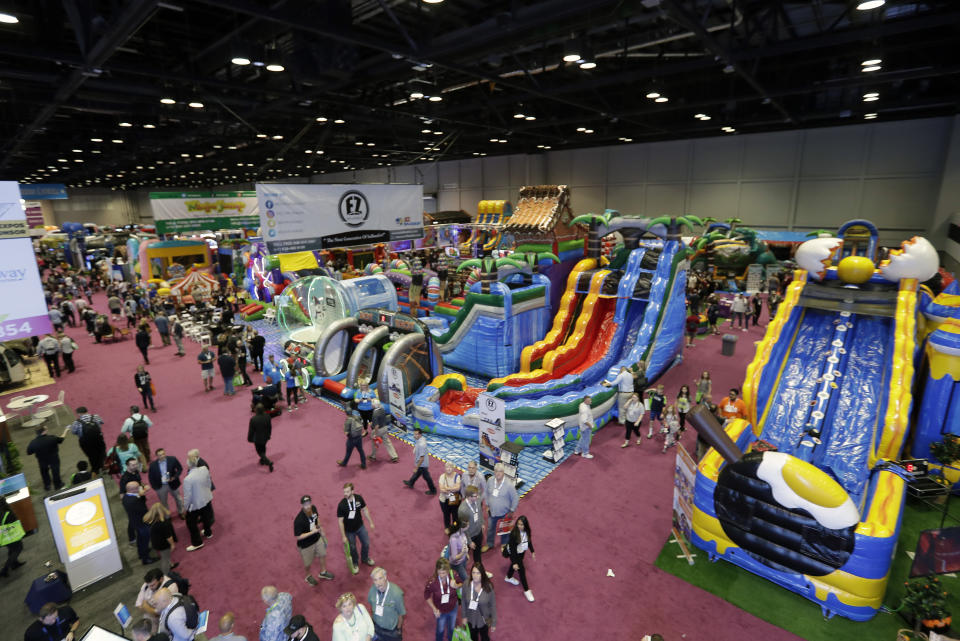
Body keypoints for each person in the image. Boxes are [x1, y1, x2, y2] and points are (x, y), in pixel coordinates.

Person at [294, 494, 334, 585]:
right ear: (302, 505)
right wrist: (312, 532)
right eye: (305, 504)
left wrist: (321, 530)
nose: (308, 506)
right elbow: (298, 536)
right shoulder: (299, 520)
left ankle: (323, 572)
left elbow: (317, 519)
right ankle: (308, 576)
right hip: (305, 545)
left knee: (323, 554)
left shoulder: (314, 508)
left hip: (317, 538)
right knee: (308, 563)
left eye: (309, 503)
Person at [337, 482, 375, 574]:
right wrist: (343, 536)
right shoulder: (341, 505)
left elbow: (365, 510)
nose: (345, 494)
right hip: (349, 531)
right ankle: (355, 562)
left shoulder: (358, 499)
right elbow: (340, 522)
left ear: (352, 491)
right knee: (353, 548)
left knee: (366, 543)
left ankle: (365, 558)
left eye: (347, 492)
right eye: (344, 492)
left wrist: (371, 522)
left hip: (360, 526)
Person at [182, 450, 214, 551]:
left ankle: (197, 542)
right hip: (207, 498)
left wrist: (186, 507)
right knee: (206, 517)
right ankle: (208, 533)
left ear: (188, 466)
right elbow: (209, 482)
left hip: (195, 504)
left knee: (191, 523)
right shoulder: (204, 469)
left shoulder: (188, 479)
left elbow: (187, 496)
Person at [483, 463, 518, 551]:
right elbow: (486, 493)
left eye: (500, 471)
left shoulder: (509, 485)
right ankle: (489, 544)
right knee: (490, 528)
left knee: (505, 529)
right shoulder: (490, 480)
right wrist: (487, 505)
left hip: (505, 512)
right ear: (494, 472)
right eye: (496, 471)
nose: (498, 473)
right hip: (492, 511)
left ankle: (504, 544)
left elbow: (515, 498)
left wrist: (512, 510)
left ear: (504, 472)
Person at [123, 481, 159, 565]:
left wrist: (140, 494)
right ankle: (145, 559)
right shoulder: (134, 500)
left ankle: (141, 553)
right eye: (138, 487)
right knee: (144, 541)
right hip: (142, 523)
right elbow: (143, 509)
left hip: (135, 522)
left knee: (140, 539)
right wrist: (142, 495)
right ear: (133, 490)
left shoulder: (126, 497)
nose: (140, 488)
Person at [424, 558, 460, 641]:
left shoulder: (453, 575)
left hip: (453, 608)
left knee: (451, 628)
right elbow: (426, 595)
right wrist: (434, 608)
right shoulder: (432, 582)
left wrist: (456, 586)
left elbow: (461, 583)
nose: (441, 575)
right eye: (439, 572)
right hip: (440, 610)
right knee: (440, 630)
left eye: (443, 573)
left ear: (448, 571)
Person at [503, 515, 535, 602]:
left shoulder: (527, 532)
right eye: (518, 524)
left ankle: (508, 577)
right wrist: (514, 562)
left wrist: (532, 551)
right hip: (515, 553)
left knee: (516, 567)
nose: (519, 526)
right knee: (522, 571)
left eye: (522, 524)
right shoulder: (514, 534)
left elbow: (529, 541)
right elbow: (513, 550)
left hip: (521, 552)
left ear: (525, 525)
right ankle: (527, 590)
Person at [368, 567, 405, 641]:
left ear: (385, 577)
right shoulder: (372, 590)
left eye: (380, 578)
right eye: (375, 580)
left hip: (391, 631)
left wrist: (398, 629)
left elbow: (401, 614)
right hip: (377, 627)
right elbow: (371, 606)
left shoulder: (396, 593)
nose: (378, 583)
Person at [462, 562, 497, 640]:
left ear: (482, 574)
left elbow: (493, 605)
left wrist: (494, 622)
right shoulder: (466, 584)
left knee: (484, 637)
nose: (475, 575)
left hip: (484, 619)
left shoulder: (488, 587)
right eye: (473, 572)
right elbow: (463, 600)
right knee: (473, 637)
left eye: (478, 573)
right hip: (470, 619)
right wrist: (464, 616)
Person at [27, 425, 68, 491]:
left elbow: (29, 452)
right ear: (44, 431)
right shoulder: (52, 438)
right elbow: (61, 439)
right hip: (53, 458)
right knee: (55, 471)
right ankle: (57, 484)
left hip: (42, 460)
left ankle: (47, 485)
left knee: (44, 472)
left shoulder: (33, 442)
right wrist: (66, 430)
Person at [148, 448, 184, 518]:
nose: (162, 456)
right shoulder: (152, 465)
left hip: (173, 483)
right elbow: (150, 477)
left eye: (163, 454)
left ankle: (181, 511)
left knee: (178, 498)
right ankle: (167, 516)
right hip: (161, 486)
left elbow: (180, 469)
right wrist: (155, 487)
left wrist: (174, 477)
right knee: (163, 502)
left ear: (165, 453)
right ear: (157, 456)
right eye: (159, 455)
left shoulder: (172, 459)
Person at [70, 407, 107, 475]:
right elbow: (102, 422)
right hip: (98, 439)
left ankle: (95, 469)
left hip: (86, 443)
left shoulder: (77, 422)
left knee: (91, 455)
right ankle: (103, 465)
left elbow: (73, 432)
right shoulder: (95, 416)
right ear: (87, 411)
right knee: (101, 452)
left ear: (79, 414)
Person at [144, 502, 177, 575]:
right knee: (165, 558)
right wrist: (172, 544)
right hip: (163, 544)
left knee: (164, 556)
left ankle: (170, 564)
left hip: (156, 542)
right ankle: (166, 574)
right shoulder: (164, 523)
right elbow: (169, 537)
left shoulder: (151, 520)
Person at [458, 485, 485, 564]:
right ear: (469, 497)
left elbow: (480, 512)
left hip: (478, 532)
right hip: (469, 536)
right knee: (464, 555)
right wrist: (469, 542)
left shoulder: (477, 500)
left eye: (477, 495)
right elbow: (463, 528)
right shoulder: (462, 510)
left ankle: (479, 569)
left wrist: (482, 523)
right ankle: (460, 568)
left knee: (477, 553)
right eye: (475, 496)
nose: (478, 497)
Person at [1, 497, 25, 577]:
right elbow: (15, 522)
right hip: (12, 535)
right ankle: (5, 569)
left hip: (4, 537)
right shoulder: (7, 512)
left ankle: (15, 564)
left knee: (11, 549)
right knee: (18, 548)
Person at [248, 404, 274, 472]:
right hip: (266, 437)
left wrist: (250, 438)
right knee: (263, 447)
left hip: (257, 438)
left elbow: (251, 431)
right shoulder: (267, 416)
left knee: (259, 451)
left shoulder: (253, 419)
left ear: (256, 410)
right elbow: (270, 427)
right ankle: (262, 460)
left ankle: (268, 462)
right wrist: (269, 435)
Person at [437, 461, 462, 534]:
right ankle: (447, 527)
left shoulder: (457, 476)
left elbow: (457, 488)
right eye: (447, 467)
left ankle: (455, 527)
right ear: (444, 468)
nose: (448, 469)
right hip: (444, 500)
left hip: (455, 499)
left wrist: (447, 488)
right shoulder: (442, 476)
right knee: (446, 515)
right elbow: (441, 489)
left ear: (453, 468)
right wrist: (452, 488)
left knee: (455, 515)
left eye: (450, 467)